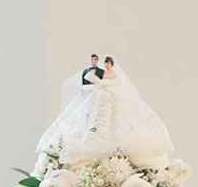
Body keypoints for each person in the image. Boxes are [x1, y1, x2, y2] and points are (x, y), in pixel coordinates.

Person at [37, 55, 173, 165]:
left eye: (108, 63)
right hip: (100, 99)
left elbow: (111, 82)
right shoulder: (98, 73)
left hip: (108, 99)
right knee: (92, 121)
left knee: (113, 125)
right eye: (105, 63)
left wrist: (101, 83)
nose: (106, 65)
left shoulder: (112, 74)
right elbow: (91, 81)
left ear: (111, 64)